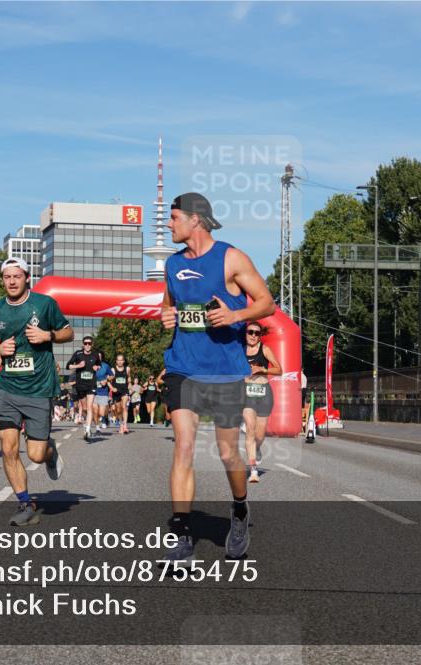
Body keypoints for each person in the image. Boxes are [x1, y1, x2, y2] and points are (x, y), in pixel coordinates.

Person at [159, 192, 275, 563]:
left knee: (227, 453)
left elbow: (267, 303)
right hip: (182, 368)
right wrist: (166, 316)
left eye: (174, 217)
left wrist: (235, 317)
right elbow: (169, 305)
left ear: (196, 219)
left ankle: (239, 508)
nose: (168, 223)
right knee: (184, 446)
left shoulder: (231, 258)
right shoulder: (172, 265)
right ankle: (181, 535)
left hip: (225, 371)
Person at [0, 257, 73, 526]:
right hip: (7, 388)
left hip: (38, 388)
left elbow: (68, 331)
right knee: (8, 450)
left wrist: (48, 336)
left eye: (16, 276)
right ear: (3, 280)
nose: (11, 281)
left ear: (26, 278)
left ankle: (49, 451)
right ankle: (25, 502)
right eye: (7, 277)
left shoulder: (45, 304)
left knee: (34, 454)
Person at [241, 323, 282, 483]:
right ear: (245, 333)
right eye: (250, 332)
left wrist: (263, 370)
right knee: (250, 430)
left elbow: (279, 369)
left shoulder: (264, 349)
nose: (253, 335)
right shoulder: (239, 350)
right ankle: (253, 470)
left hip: (264, 393)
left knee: (259, 434)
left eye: (257, 333)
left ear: (260, 335)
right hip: (246, 393)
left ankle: (257, 448)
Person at [67, 336, 102, 441]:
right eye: (86, 343)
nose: (87, 345)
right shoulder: (78, 354)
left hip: (91, 384)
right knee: (85, 408)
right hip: (80, 385)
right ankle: (87, 423)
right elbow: (68, 366)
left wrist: (97, 367)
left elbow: (99, 365)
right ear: (83, 344)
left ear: (92, 344)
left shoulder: (95, 355)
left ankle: (87, 428)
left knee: (90, 406)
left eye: (89, 343)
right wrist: (78, 366)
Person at [109, 354, 131, 435]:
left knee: (124, 407)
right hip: (116, 392)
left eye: (121, 360)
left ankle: (125, 425)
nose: (120, 362)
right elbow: (108, 380)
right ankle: (121, 424)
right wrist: (112, 388)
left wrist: (130, 384)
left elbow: (129, 378)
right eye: (118, 360)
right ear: (116, 361)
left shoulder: (127, 369)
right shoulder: (113, 370)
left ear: (124, 361)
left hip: (124, 391)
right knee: (118, 410)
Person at [93, 358, 112, 432]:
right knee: (95, 411)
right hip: (93, 392)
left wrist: (106, 380)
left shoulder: (105, 366)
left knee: (101, 412)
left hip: (103, 392)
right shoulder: (91, 365)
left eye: (100, 356)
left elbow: (112, 375)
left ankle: (105, 418)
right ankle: (97, 427)